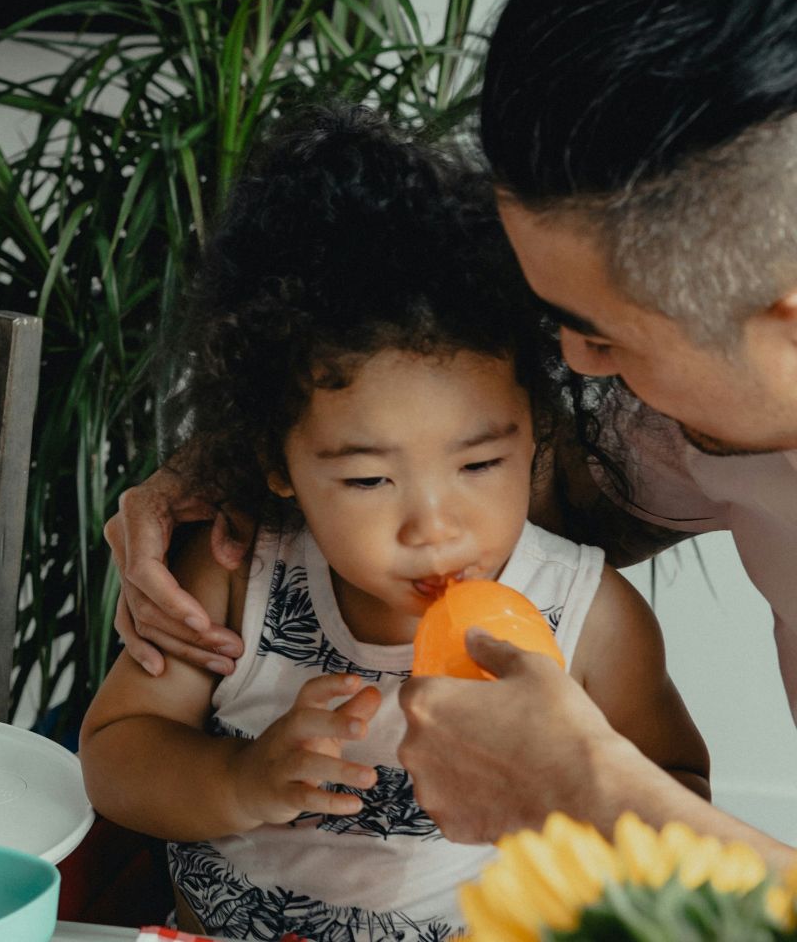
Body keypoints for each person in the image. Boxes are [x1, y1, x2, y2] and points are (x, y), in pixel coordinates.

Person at [105, 0, 797, 865]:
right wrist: (232, 466)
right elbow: (485, 466)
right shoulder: (697, 420)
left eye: (601, 335)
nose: (570, 367)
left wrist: (589, 792)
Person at [78, 107, 707, 939]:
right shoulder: (237, 574)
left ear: (538, 433)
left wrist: (571, 801)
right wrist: (238, 777)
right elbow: (117, 752)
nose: (433, 526)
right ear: (280, 465)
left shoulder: (589, 618)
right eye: (370, 478)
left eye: (480, 465)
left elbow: (679, 790)